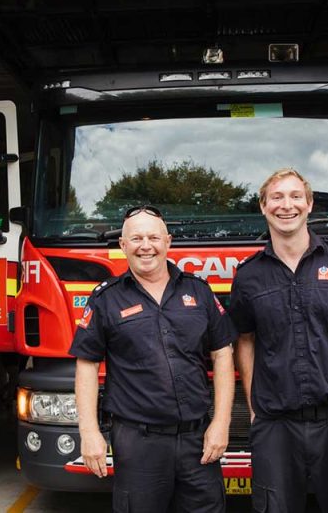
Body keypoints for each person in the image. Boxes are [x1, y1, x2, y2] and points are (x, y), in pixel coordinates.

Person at [230, 168, 328, 512]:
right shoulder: (248, 277)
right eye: (276, 197)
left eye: (294, 197)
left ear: (309, 204)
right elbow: (244, 341)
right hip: (276, 426)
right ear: (263, 206)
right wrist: (255, 409)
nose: (286, 206)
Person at [71, 205, 236, 513]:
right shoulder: (106, 298)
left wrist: (221, 424)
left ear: (168, 242)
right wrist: (89, 432)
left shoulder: (198, 291)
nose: (145, 246)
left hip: (197, 442)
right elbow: (87, 365)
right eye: (136, 239)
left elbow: (223, 355)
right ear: (123, 246)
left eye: (153, 237)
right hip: (138, 444)